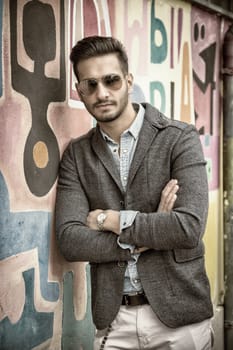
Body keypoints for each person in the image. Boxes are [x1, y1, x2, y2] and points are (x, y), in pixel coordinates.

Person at [55, 35, 213, 350]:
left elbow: (188, 227)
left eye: (111, 80)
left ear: (128, 80)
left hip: (181, 319)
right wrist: (150, 231)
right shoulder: (76, 154)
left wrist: (108, 219)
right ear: (79, 91)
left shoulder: (179, 138)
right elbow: (70, 241)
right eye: (90, 84)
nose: (102, 93)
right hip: (115, 323)